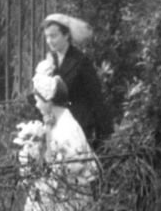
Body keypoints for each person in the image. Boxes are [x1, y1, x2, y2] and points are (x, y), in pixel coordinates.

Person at [6, 61, 99, 211]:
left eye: (38, 100)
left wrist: (51, 170)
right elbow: (50, 155)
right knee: (36, 203)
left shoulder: (68, 125)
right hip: (56, 187)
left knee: (42, 205)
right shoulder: (55, 122)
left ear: (48, 100)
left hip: (69, 192)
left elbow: (75, 163)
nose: (36, 105)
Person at [37, 13, 111, 149]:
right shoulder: (48, 61)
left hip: (78, 125)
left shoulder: (81, 61)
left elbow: (96, 97)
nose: (49, 41)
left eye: (53, 36)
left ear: (66, 35)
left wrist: (105, 135)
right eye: (47, 36)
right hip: (55, 124)